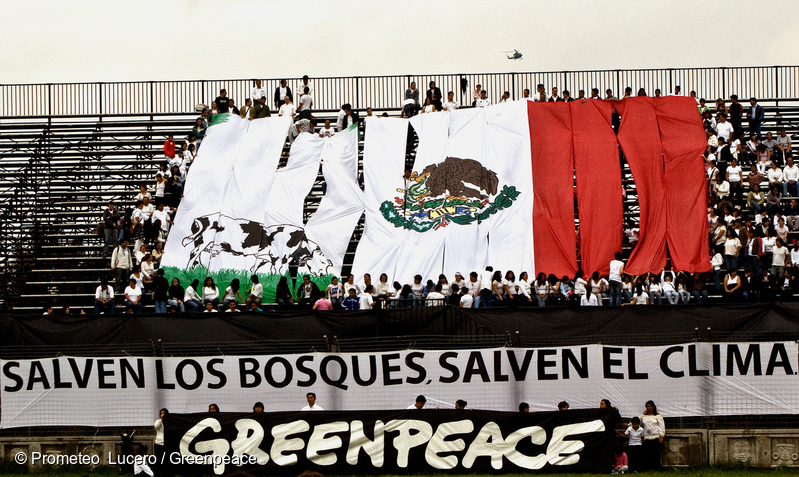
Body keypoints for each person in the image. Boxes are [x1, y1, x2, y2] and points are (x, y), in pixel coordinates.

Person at [640, 401, 665, 471]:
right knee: (647, 454)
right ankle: (647, 468)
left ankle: (656, 468)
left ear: (653, 407)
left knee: (656, 454)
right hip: (647, 438)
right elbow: (637, 421)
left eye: (649, 406)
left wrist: (661, 436)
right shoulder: (644, 417)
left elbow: (661, 426)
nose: (648, 408)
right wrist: (642, 414)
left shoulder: (658, 416)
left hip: (656, 437)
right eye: (647, 407)